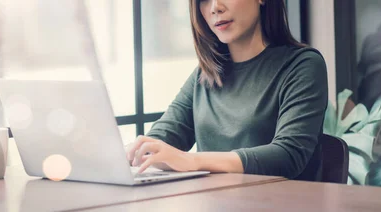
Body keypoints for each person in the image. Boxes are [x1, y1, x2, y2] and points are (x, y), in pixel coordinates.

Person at [126, 0, 328, 181]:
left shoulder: (302, 65)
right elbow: (164, 135)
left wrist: (192, 160)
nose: (215, 7)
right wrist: (133, 152)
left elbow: (288, 155)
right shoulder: (205, 75)